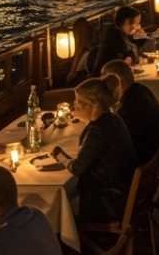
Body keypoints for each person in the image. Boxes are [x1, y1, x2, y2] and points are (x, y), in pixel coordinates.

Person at [52, 78, 137, 223]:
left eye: (78, 102)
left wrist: (59, 156)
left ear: (93, 106)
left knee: (60, 200)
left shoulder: (96, 130)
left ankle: (66, 239)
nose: (74, 106)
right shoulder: (113, 118)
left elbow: (77, 168)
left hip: (107, 200)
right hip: (124, 188)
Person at [101, 60, 159, 166]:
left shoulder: (130, 104)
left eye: (106, 81)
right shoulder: (140, 89)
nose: (104, 86)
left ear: (118, 80)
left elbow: (118, 140)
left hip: (146, 164)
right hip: (158, 153)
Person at [92, 5, 143, 72]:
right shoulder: (113, 35)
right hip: (105, 78)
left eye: (137, 24)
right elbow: (124, 62)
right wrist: (131, 57)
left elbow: (132, 54)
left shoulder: (120, 32)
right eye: (135, 23)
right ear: (126, 21)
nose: (137, 27)